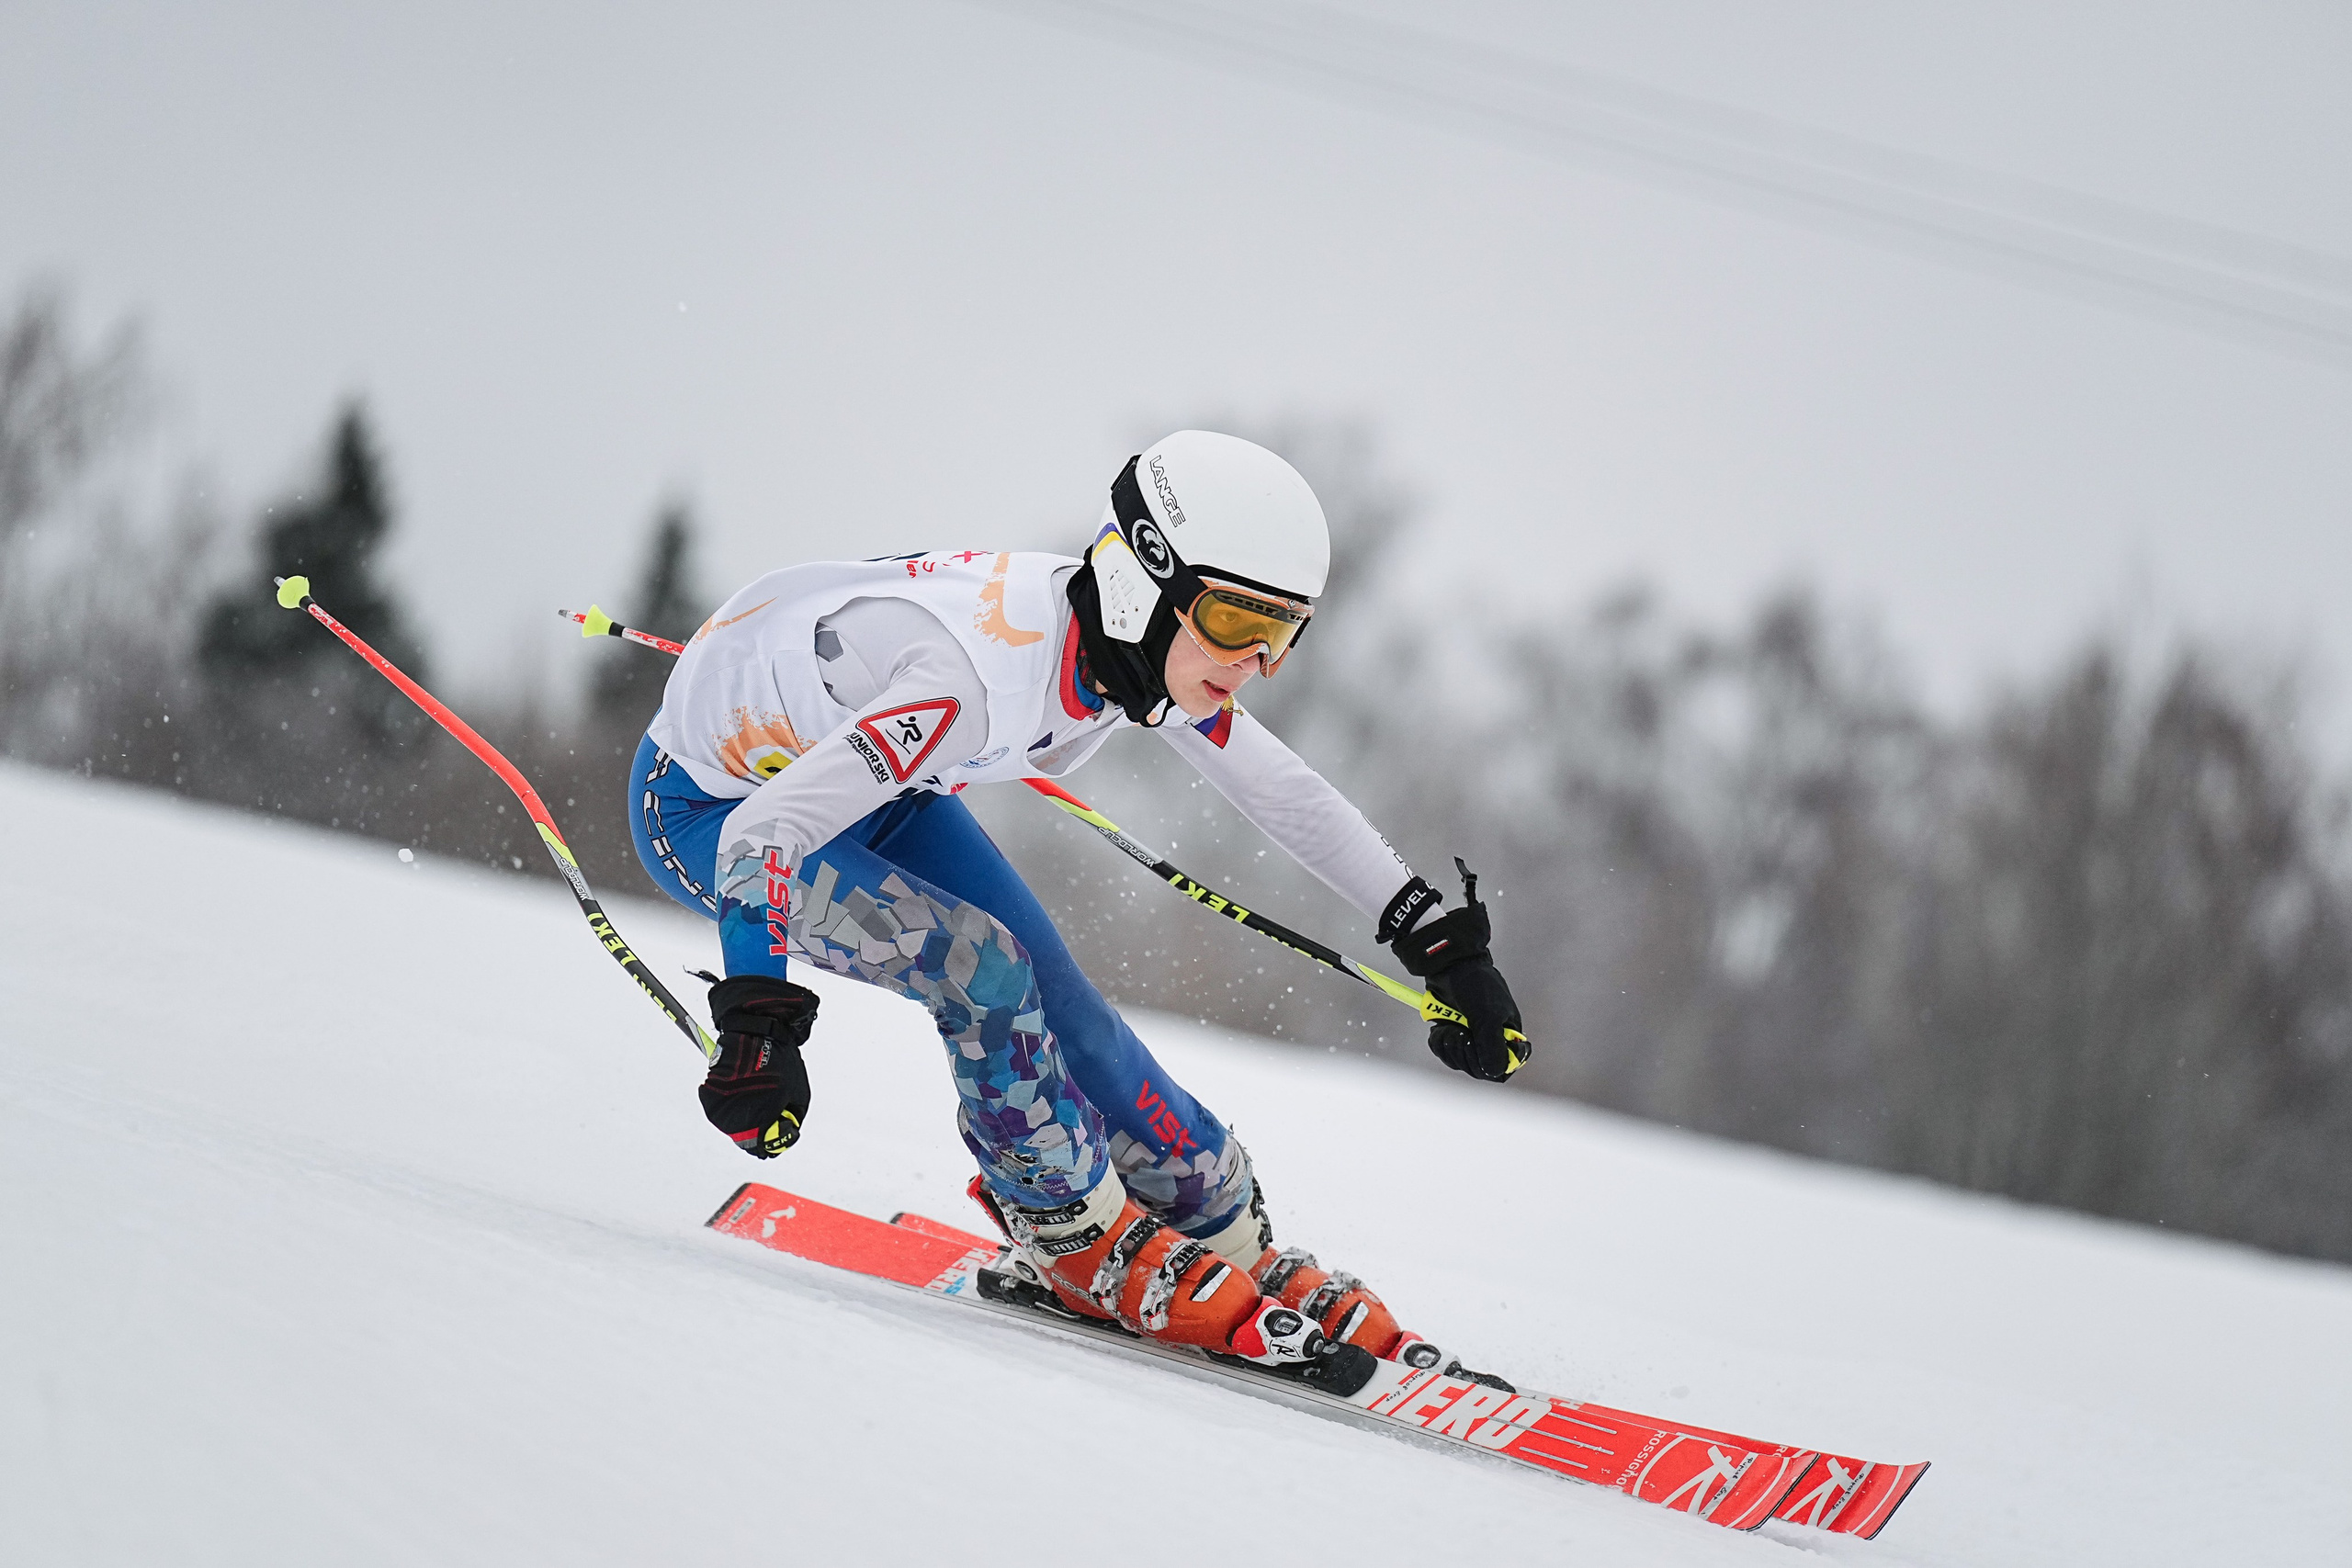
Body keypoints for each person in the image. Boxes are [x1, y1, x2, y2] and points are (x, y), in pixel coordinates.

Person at [628, 430, 1528, 1388]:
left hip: (872, 791)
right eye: (1235, 620)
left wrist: (1440, 944)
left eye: (1283, 632)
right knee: (979, 969)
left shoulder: (1136, 650)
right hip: (713, 811)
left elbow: (1281, 790)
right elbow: (763, 833)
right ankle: (1068, 1228)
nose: (1257, 660)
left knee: (1063, 1004)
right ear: (1144, 577)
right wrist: (757, 1024)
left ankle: (1221, 1230)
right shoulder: (969, 682)